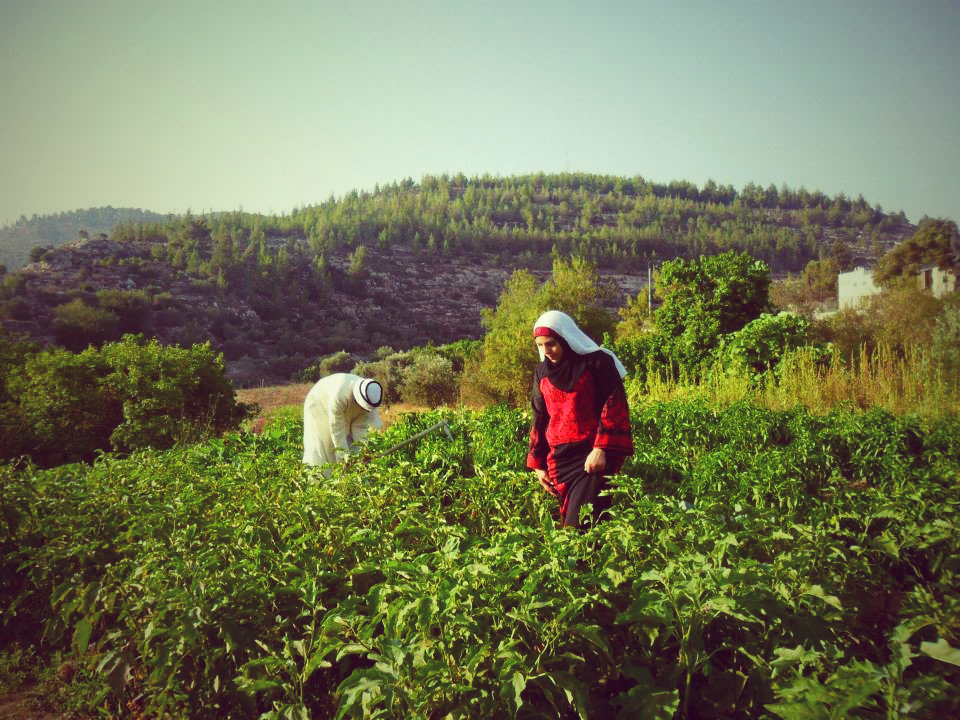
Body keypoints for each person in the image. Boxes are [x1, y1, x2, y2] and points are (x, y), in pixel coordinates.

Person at [526, 310, 633, 528]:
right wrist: (538, 465)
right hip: (560, 461)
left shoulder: (597, 362)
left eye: (551, 343)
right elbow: (540, 416)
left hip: (591, 459)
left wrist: (601, 449)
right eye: (540, 345)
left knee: (580, 528)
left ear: (566, 337)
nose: (546, 351)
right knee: (582, 528)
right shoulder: (542, 371)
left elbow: (614, 404)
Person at [303, 373, 383, 471]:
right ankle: (320, 479)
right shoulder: (340, 394)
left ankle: (348, 475)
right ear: (357, 399)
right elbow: (337, 429)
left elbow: (360, 428)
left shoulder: (370, 399)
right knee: (325, 444)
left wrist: (362, 453)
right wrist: (343, 456)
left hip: (342, 407)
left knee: (350, 443)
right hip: (319, 404)